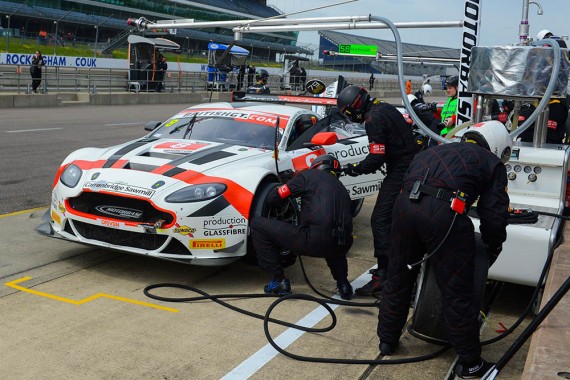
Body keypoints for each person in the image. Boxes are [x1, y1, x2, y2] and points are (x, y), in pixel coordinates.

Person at [377, 120, 511, 379]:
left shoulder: (432, 150)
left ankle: (387, 340)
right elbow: (494, 215)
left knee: (398, 276)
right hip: (443, 213)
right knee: (456, 290)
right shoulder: (490, 163)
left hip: (403, 207)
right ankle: (470, 363)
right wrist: (493, 244)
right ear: (496, 145)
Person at [339, 85, 419, 296]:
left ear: (354, 108)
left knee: (380, 219)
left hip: (402, 171)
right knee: (394, 220)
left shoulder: (373, 120)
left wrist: (352, 169)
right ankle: (395, 268)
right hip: (413, 167)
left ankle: (384, 274)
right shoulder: (385, 108)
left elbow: (375, 159)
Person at [249, 154, 354, 299]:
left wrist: (287, 186)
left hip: (312, 240)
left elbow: (273, 198)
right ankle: (344, 285)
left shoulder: (307, 175)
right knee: (332, 237)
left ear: (316, 166)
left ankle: (278, 280)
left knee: (257, 225)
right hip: (342, 245)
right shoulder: (342, 189)